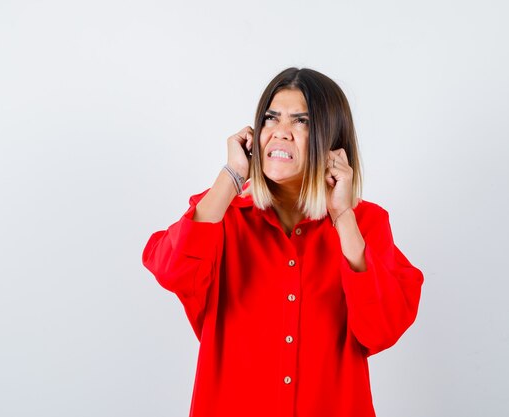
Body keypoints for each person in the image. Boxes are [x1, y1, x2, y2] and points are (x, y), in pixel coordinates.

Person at [142, 67, 424, 417]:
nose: (281, 133)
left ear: (332, 142)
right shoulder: (222, 216)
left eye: (301, 122)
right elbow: (171, 271)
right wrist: (231, 177)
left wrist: (343, 218)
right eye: (271, 119)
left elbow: (381, 329)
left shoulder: (365, 224)